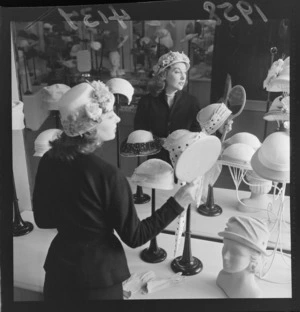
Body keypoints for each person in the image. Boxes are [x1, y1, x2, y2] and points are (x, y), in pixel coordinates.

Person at [32, 80, 199, 303]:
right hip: (99, 282)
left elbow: (42, 219)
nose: (119, 119)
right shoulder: (108, 175)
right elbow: (135, 236)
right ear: (91, 126)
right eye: (110, 114)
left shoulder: (49, 160)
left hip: (58, 274)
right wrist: (176, 203)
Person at [134, 51, 202, 164]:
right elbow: (139, 132)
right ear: (164, 74)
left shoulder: (192, 102)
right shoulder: (147, 102)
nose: (183, 77)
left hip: (183, 160)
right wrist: (157, 142)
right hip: (156, 160)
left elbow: (197, 133)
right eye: (177, 72)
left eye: (184, 72)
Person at [216, 216, 270, 298]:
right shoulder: (222, 276)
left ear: (253, 259)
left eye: (235, 252)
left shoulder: (253, 295)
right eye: (225, 247)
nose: (226, 256)